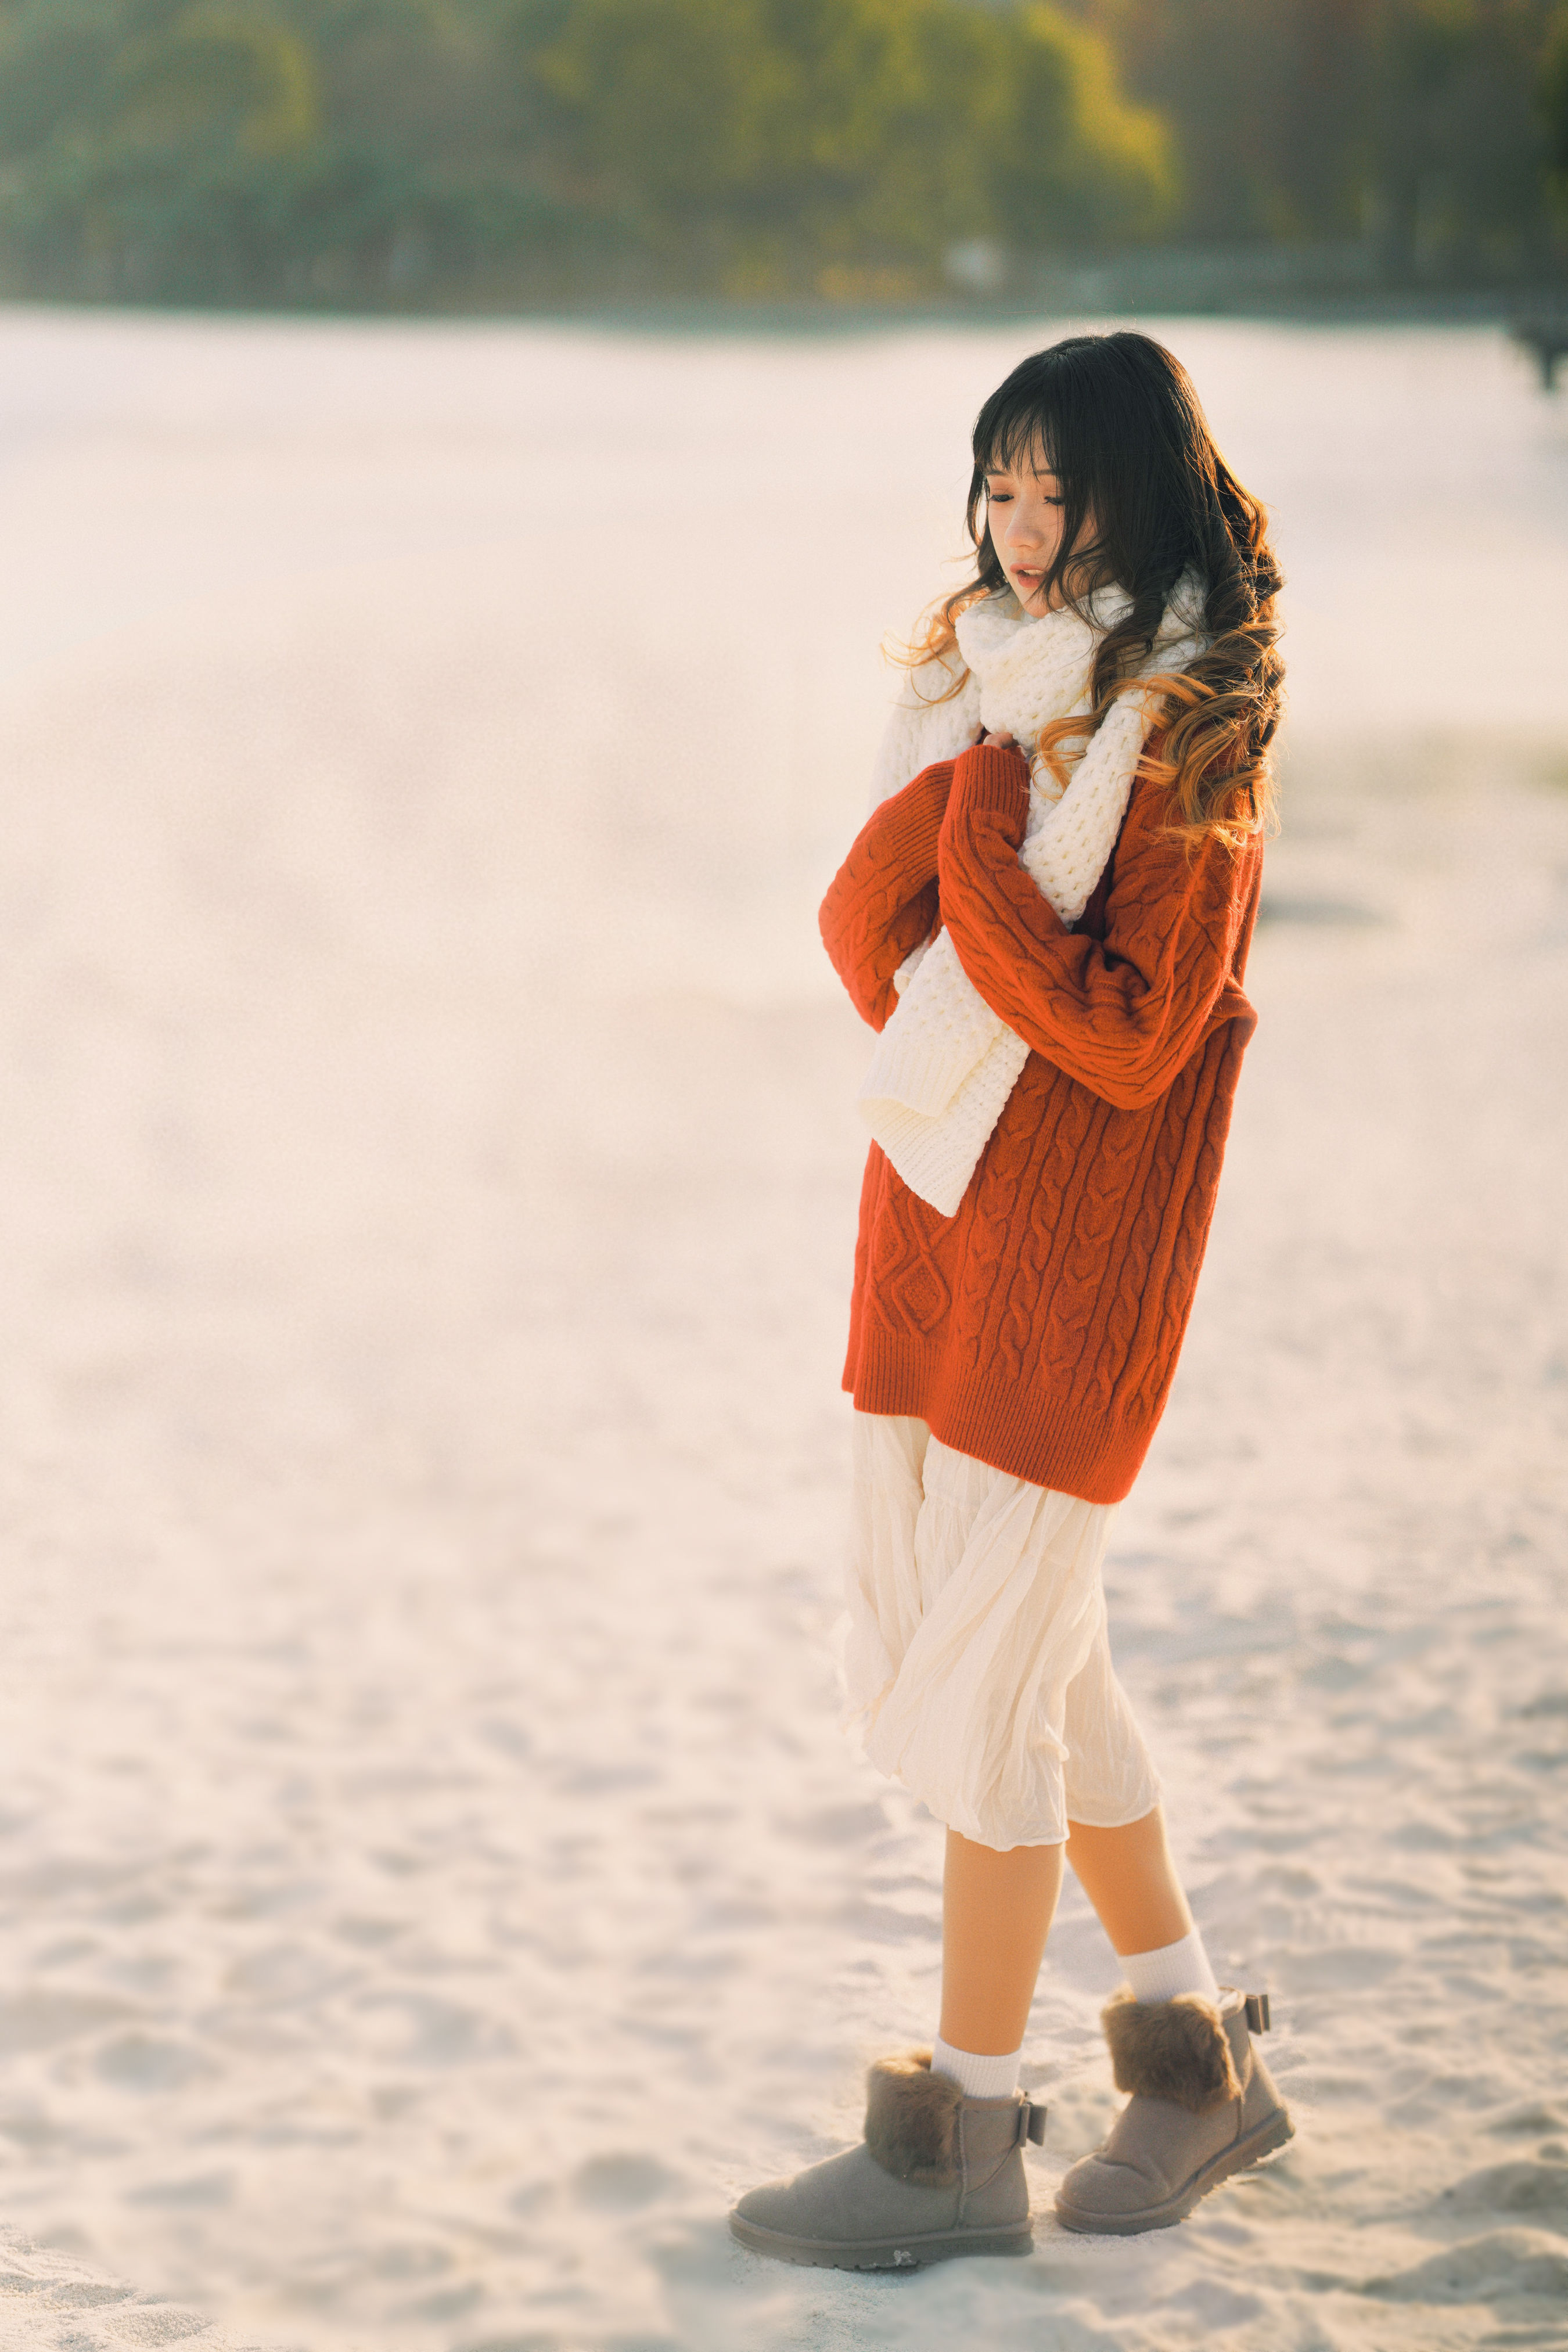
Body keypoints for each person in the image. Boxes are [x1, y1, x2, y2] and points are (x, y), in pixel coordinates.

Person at [730, 332, 1293, 2268]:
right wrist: (977, 772)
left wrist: (986, 842)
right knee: (1043, 1672)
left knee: (990, 1686)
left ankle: (959, 2137)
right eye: (999, 484)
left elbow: (1129, 1043)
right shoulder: (984, 694)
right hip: (942, 1223)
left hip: (1073, 1279)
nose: (1022, 528)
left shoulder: (1189, 741)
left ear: (1139, 495)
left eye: (1058, 491)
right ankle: (1198, 2065)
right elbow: (855, 932)